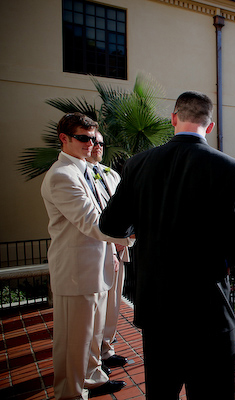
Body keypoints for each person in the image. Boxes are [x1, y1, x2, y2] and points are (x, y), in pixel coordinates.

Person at [99, 91, 235, 399]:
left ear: (173, 119)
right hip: (207, 307)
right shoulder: (230, 168)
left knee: (161, 393)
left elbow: (111, 225)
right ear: (209, 127)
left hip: (157, 305)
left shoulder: (138, 164)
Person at [41, 113, 131, 399]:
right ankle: (70, 393)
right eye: (83, 137)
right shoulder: (62, 175)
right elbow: (92, 221)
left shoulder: (87, 171)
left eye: (93, 138)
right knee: (74, 341)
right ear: (64, 138)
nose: (90, 144)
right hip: (75, 271)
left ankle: (92, 378)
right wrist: (136, 236)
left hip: (98, 266)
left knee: (92, 336)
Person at [85, 130, 131, 372]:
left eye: (101, 142)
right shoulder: (80, 176)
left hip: (119, 248)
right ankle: (93, 360)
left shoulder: (112, 175)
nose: (97, 146)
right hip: (98, 251)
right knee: (96, 310)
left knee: (113, 305)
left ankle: (106, 348)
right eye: (91, 141)